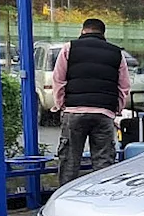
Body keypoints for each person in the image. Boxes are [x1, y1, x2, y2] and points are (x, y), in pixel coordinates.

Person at [52, 18, 130, 185]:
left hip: (74, 112)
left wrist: (61, 105)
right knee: (103, 163)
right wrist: (116, 109)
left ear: (83, 30)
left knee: (69, 162)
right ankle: (101, 200)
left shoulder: (69, 48)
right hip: (103, 113)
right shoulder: (117, 53)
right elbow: (124, 86)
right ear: (103, 33)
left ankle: (64, 202)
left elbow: (58, 80)